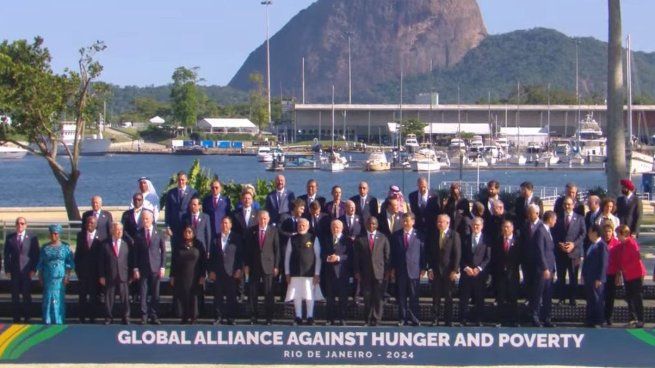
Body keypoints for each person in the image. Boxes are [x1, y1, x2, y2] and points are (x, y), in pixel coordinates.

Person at [244, 210, 280, 325]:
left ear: (268, 219)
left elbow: (277, 250)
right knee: (253, 293)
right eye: (261, 218)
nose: (263, 220)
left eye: (265, 218)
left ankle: (268, 317)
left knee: (268, 293)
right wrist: (246, 265)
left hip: (268, 266)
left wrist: (276, 266)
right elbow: (247, 250)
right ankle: (253, 316)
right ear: (257, 219)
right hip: (254, 266)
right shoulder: (251, 231)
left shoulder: (273, 231)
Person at [284, 218, 322, 325]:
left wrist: (317, 273)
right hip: (295, 273)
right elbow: (287, 256)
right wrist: (287, 272)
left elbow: (318, 256)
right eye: (299, 225)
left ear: (308, 226)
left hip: (309, 273)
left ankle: (310, 317)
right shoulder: (292, 239)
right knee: (297, 295)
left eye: (303, 225)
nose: (301, 226)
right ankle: (298, 317)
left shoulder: (313, 238)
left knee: (309, 295)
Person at [353, 217, 390, 326]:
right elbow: (356, 257)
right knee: (367, 298)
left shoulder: (383, 238)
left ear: (377, 225)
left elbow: (387, 256)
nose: (371, 226)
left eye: (374, 224)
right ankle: (367, 319)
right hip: (365, 273)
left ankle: (376, 319)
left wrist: (387, 271)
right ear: (365, 224)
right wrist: (357, 271)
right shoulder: (360, 239)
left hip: (380, 273)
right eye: (369, 223)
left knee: (378, 298)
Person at [426, 214, 461, 326]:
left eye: (442, 222)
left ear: (448, 223)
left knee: (448, 297)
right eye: (438, 222)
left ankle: (448, 320)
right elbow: (429, 253)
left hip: (448, 271)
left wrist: (455, 270)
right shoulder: (433, 234)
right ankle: (435, 319)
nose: (439, 224)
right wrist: (429, 269)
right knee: (435, 297)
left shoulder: (454, 235)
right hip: (436, 271)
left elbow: (457, 254)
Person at [4, 217, 40, 323]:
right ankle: (16, 318)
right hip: (14, 272)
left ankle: (27, 317)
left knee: (26, 295)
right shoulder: (10, 237)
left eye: (22, 223)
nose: (20, 225)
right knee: (15, 296)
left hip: (27, 271)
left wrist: (34, 269)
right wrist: (7, 270)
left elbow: (35, 254)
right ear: (15, 225)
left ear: (26, 225)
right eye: (18, 223)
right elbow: (6, 255)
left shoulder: (32, 238)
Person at [36, 224, 74, 325]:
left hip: (60, 278)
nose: (54, 236)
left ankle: (59, 321)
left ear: (59, 234)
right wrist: (40, 277)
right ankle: (47, 320)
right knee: (48, 298)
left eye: (56, 234)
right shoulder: (45, 248)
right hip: (48, 277)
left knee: (58, 299)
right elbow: (40, 264)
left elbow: (69, 263)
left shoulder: (65, 247)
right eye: (52, 234)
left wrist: (67, 276)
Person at [133, 211, 166, 325]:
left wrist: (162, 267)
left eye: (147, 219)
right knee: (143, 293)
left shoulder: (159, 233)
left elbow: (163, 252)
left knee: (155, 293)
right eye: (143, 219)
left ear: (152, 219)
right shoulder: (138, 234)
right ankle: (144, 316)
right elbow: (135, 253)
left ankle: (154, 315)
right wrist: (135, 268)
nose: (145, 221)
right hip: (143, 268)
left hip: (155, 268)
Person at [391, 213, 424, 326]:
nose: (405, 223)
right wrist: (393, 269)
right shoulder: (396, 235)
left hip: (414, 270)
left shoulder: (419, 235)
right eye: (404, 221)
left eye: (407, 221)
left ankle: (414, 318)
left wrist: (424, 268)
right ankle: (402, 318)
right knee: (401, 297)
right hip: (400, 270)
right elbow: (393, 254)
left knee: (414, 296)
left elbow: (423, 253)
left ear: (413, 222)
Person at [552, 196, 586, 306]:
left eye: (569, 204)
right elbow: (553, 233)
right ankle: (561, 298)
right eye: (565, 204)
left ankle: (572, 298)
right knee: (561, 277)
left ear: (574, 205)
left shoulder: (580, 218)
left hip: (574, 253)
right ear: (562, 206)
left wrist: (573, 244)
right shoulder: (558, 218)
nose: (567, 206)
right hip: (561, 252)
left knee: (573, 277)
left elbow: (583, 234)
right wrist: (559, 243)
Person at [209, 217, 243, 325]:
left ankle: (231, 317)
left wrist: (238, 269)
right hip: (218, 271)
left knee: (231, 296)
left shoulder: (236, 238)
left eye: (227, 223)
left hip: (231, 271)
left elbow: (239, 255)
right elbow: (211, 257)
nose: (224, 225)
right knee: (218, 296)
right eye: (223, 223)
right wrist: (211, 270)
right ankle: (218, 317)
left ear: (231, 225)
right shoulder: (215, 238)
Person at [170, 225, 207, 324]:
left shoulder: (198, 245)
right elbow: (173, 261)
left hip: (195, 275)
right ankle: (184, 317)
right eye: (186, 232)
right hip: (181, 275)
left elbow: (203, 261)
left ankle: (194, 317)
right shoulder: (178, 244)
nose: (188, 234)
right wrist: (172, 276)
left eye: (190, 232)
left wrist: (203, 275)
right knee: (183, 296)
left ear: (193, 233)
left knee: (194, 297)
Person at [99, 222, 134, 325]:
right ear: (112, 231)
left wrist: (131, 274)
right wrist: (101, 275)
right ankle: (109, 317)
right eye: (117, 230)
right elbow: (101, 261)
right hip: (110, 275)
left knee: (125, 298)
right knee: (109, 298)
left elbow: (130, 261)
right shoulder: (105, 244)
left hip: (123, 276)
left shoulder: (125, 244)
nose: (119, 232)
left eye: (121, 230)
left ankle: (126, 317)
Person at [459, 217, 491, 326]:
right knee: (464, 298)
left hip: (479, 274)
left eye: (478, 225)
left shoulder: (487, 239)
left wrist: (479, 268)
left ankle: (479, 320)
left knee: (479, 298)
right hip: (467, 273)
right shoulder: (465, 238)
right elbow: (460, 256)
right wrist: (466, 268)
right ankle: (463, 319)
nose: (475, 227)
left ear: (482, 226)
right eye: (474, 225)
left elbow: (488, 257)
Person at [527, 209, 557, 328]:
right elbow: (540, 251)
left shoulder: (547, 231)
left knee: (547, 295)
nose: (555, 222)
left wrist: (553, 268)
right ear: (550, 219)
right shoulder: (540, 231)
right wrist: (545, 268)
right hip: (542, 270)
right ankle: (535, 317)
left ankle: (546, 318)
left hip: (549, 269)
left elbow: (550, 252)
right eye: (555, 219)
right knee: (538, 294)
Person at [322, 219, 352, 326]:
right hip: (329, 273)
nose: (335, 229)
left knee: (343, 298)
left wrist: (338, 258)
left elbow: (350, 256)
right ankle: (330, 319)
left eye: (337, 227)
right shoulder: (326, 239)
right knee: (330, 298)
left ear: (342, 228)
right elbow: (322, 254)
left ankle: (342, 319)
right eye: (333, 227)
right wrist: (328, 258)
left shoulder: (347, 240)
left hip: (342, 273)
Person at [616, 225, 647, 328]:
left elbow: (636, 259)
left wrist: (626, 268)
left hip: (636, 274)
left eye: (618, 234)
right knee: (629, 297)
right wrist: (621, 270)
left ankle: (641, 319)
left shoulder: (632, 244)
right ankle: (632, 318)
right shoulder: (623, 244)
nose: (617, 236)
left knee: (637, 297)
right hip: (628, 275)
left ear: (623, 234)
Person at [493, 220, 521, 326]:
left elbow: (520, 257)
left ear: (512, 228)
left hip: (513, 274)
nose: (506, 229)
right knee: (501, 298)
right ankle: (501, 320)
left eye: (508, 227)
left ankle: (514, 320)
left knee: (513, 298)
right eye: (504, 227)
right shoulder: (498, 240)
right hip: (500, 274)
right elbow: (494, 257)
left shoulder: (517, 241)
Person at [75, 216, 102, 323]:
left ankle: (92, 318)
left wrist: (101, 274)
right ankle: (81, 317)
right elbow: (78, 255)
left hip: (95, 273)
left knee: (93, 296)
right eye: (87, 223)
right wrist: (78, 270)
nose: (89, 225)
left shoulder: (101, 237)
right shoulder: (80, 235)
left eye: (91, 223)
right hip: (83, 272)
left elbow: (102, 257)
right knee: (82, 296)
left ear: (96, 224)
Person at [581, 224, 608, 328]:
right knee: (590, 299)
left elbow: (603, 263)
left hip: (596, 278)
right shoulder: (591, 245)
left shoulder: (602, 246)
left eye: (590, 232)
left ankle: (598, 320)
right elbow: (586, 261)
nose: (588, 234)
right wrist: (583, 274)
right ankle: (590, 319)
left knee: (597, 299)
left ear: (595, 233)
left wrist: (599, 278)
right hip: (589, 277)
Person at [165, 171, 198, 245]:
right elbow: (167, 211)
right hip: (174, 227)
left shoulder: (193, 192)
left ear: (186, 180)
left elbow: (195, 209)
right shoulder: (171, 193)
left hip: (188, 227)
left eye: (183, 180)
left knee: (188, 250)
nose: (181, 181)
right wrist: (167, 226)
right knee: (175, 250)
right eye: (179, 180)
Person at [601, 223, 621, 326]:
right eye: (605, 231)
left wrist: (618, 275)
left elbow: (619, 261)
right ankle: (601, 316)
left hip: (612, 273)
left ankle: (609, 317)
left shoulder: (616, 243)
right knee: (601, 295)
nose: (607, 233)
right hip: (602, 274)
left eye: (609, 231)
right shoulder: (600, 242)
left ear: (612, 232)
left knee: (610, 296)